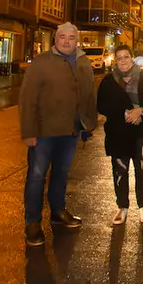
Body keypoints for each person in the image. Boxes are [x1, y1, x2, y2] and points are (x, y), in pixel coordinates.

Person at [19, 22, 97, 247]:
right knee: (36, 176)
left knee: (61, 174)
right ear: (55, 39)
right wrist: (28, 131)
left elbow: (89, 93)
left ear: (77, 40)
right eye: (62, 37)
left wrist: (88, 123)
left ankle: (58, 211)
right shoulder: (42, 62)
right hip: (43, 132)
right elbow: (27, 98)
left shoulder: (83, 62)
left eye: (71, 38)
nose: (66, 41)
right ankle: (32, 223)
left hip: (70, 130)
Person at [97, 45, 143, 226]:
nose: (123, 61)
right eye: (119, 57)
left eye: (126, 57)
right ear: (115, 60)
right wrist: (125, 113)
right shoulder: (108, 81)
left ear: (132, 58)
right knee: (120, 169)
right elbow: (102, 105)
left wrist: (141, 111)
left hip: (142, 132)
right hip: (118, 133)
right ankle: (122, 207)